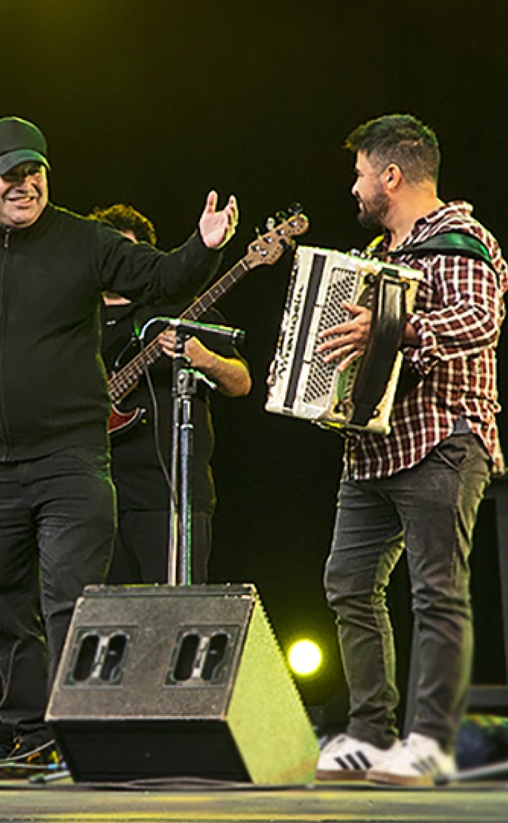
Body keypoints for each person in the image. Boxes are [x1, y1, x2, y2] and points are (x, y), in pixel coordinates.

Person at [0, 117, 238, 776]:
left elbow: (164, 280)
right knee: (4, 603)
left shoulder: (86, 240)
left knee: (71, 600)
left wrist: (203, 246)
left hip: (70, 456)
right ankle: (30, 734)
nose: (24, 185)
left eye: (35, 172)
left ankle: (83, 734)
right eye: (9, 174)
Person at [314, 114, 507, 786]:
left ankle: (427, 740)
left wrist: (392, 329)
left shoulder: (461, 239)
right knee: (348, 583)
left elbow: (480, 320)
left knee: (436, 592)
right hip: (372, 449)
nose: (355, 187)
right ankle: (371, 732)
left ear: (390, 175)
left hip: (442, 436)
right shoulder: (380, 257)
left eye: (362, 173)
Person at [92, 204, 251, 584]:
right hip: (93, 500)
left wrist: (204, 358)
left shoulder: (178, 310)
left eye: (128, 256)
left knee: (172, 618)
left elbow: (241, 381)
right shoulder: (76, 318)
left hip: (168, 497)